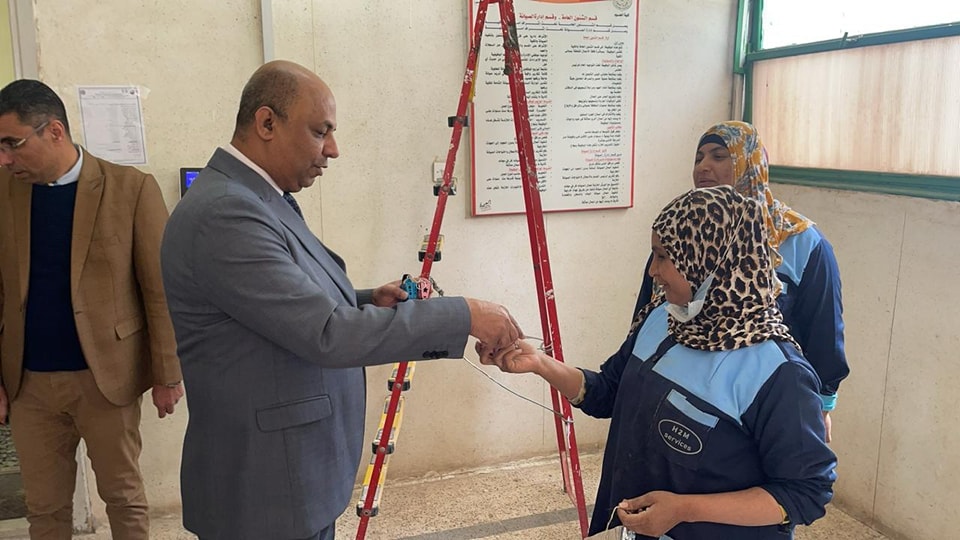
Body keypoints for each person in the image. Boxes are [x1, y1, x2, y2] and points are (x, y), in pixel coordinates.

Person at [160, 60, 523, 540]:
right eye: (320, 131)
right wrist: (464, 315)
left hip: (289, 475)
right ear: (266, 123)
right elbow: (327, 333)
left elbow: (275, 305)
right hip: (268, 491)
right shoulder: (227, 213)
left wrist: (367, 300)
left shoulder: (257, 197)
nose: (333, 149)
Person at [481, 186, 837, 539]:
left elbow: (806, 491)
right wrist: (540, 363)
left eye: (664, 256)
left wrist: (685, 509)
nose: (652, 270)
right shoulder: (662, 320)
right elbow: (607, 393)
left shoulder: (778, 373)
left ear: (709, 259)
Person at [0, 79, 184, 539]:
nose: (4, 159)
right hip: (28, 385)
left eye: (12, 144)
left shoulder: (130, 189)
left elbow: (159, 289)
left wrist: (167, 373)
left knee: (123, 497)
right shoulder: (3, 194)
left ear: (54, 131)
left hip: (107, 378)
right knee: (44, 508)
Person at [631, 121, 848, 441]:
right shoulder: (679, 233)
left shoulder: (802, 243)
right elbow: (649, 309)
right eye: (698, 158)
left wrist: (822, 404)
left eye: (719, 156)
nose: (703, 166)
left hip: (757, 401)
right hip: (680, 389)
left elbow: (823, 329)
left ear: (751, 164)